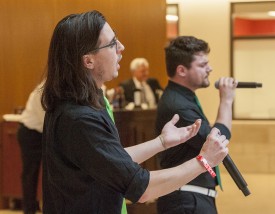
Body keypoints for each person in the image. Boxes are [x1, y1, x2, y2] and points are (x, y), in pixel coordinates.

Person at [41, 10, 229, 214]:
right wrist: (204, 161)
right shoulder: (79, 118)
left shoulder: (85, 104)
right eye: (112, 43)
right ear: (88, 61)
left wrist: (162, 142)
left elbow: (113, 159)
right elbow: (143, 188)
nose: (121, 48)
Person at [155, 36, 238, 214]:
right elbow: (217, 139)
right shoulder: (178, 105)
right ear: (182, 70)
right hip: (185, 200)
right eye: (202, 65)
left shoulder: (184, 97)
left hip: (190, 196)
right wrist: (226, 101)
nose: (210, 69)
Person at [17, 82, 45, 214]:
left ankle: (36, 205)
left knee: (48, 173)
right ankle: (29, 209)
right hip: (30, 134)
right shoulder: (42, 91)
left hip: (40, 133)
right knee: (30, 174)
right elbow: (46, 121)